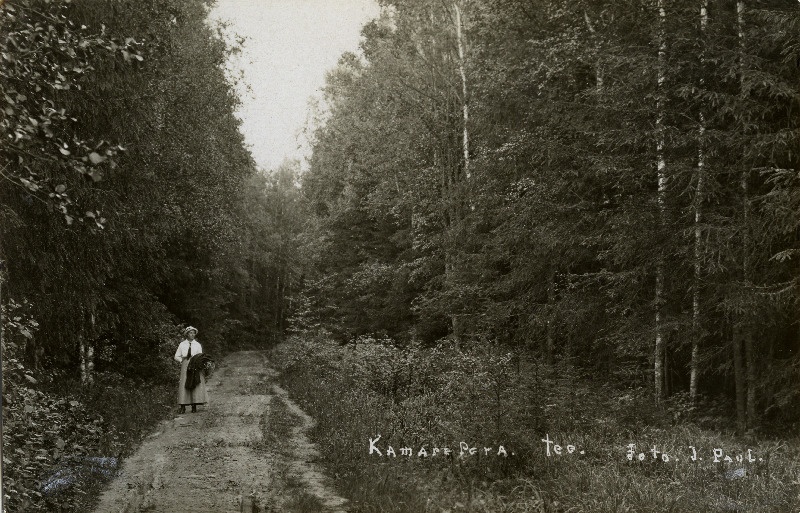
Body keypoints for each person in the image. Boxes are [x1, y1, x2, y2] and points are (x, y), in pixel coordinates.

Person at [174, 326, 208, 413]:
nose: (192, 335)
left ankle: (194, 405)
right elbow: (176, 356)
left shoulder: (197, 344)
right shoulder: (182, 344)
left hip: (195, 364)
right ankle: (182, 406)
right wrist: (183, 360)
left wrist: (199, 362)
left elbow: (201, 356)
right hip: (185, 365)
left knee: (195, 382)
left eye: (193, 333)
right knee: (184, 383)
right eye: (190, 333)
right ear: (187, 334)